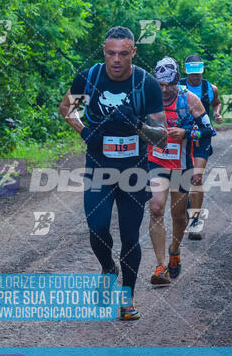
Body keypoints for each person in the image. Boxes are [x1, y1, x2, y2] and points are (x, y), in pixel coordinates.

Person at [59, 26, 167, 320]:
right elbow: (67, 108)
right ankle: (108, 267)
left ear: (133, 52)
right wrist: (85, 133)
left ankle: (127, 300)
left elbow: (162, 137)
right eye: (110, 53)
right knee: (97, 227)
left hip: (134, 170)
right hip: (99, 166)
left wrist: (138, 126)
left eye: (123, 53)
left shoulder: (146, 84)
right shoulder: (90, 78)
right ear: (104, 51)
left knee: (130, 236)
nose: (116, 59)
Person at [148, 57, 214, 286]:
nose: (164, 90)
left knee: (178, 216)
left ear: (177, 81)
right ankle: (160, 266)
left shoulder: (190, 100)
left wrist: (186, 134)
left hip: (182, 164)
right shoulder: (148, 96)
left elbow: (208, 132)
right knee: (156, 208)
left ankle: (174, 250)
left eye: (169, 85)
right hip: (155, 162)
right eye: (160, 85)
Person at [179, 54, 223, 240]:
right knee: (182, 180)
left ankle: (195, 221)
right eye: (192, 74)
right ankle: (183, 214)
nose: (195, 77)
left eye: (198, 74)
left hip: (202, 137)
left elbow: (217, 103)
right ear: (185, 72)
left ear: (202, 72)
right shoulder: (177, 88)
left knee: (196, 177)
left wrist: (217, 113)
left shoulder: (210, 88)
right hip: (181, 138)